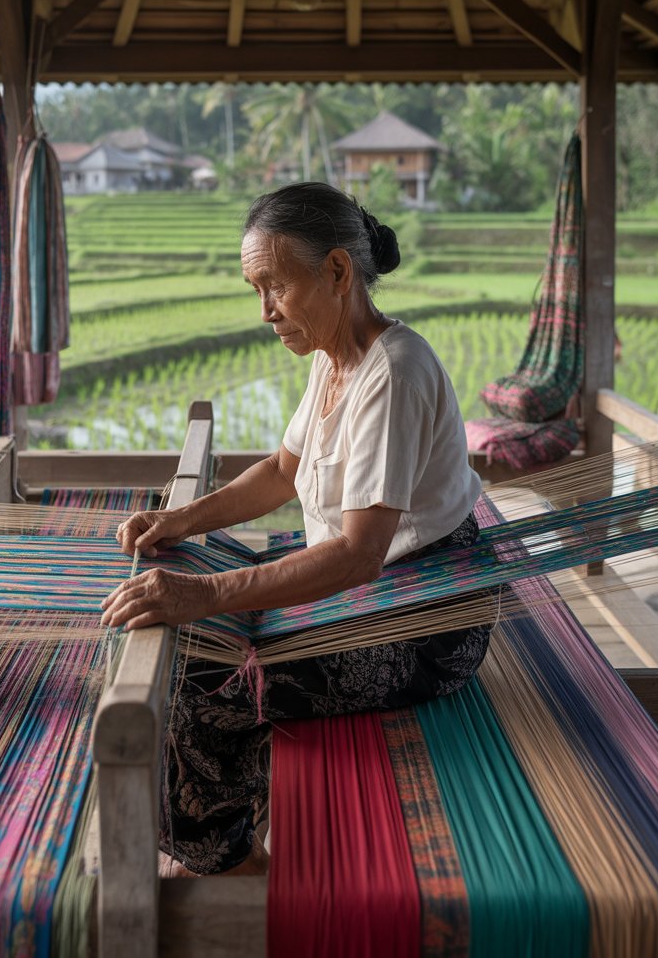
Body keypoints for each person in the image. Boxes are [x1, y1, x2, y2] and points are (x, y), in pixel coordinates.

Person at [100, 182, 487, 876]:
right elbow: (284, 470)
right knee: (200, 641)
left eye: (275, 286)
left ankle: (243, 875)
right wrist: (182, 518)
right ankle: (236, 828)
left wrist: (204, 594)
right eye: (257, 290)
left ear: (337, 272)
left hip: (423, 618)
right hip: (376, 588)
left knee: (198, 690)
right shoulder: (333, 357)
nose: (265, 311)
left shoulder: (393, 373)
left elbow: (360, 555)